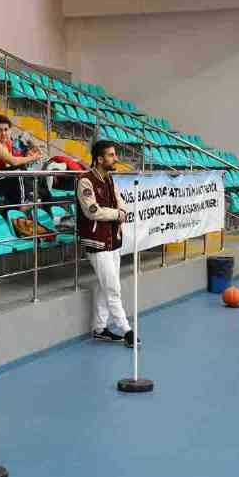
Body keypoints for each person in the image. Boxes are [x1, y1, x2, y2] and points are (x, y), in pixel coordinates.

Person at [77, 139, 133, 345]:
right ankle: (126, 330)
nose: (115, 158)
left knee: (104, 285)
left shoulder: (110, 179)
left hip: (113, 241)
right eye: (111, 155)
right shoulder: (85, 181)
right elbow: (93, 212)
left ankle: (100, 328)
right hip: (97, 243)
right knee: (113, 288)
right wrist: (117, 214)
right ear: (99, 159)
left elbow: (120, 202)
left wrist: (121, 212)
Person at [0, 114, 44, 207]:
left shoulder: (7, 143)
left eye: (6, 130)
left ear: (10, 131)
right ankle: (24, 203)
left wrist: (27, 155)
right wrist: (33, 158)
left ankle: (44, 202)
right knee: (18, 171)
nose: (3, 133)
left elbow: (9, 165)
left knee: (36, 177)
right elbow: (13, 162)